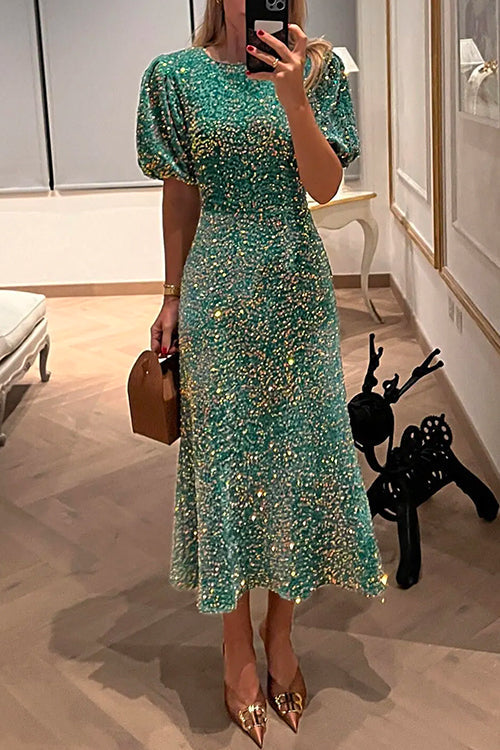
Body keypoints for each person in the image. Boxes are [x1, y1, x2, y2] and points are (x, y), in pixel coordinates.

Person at [136, 0, 387, 745]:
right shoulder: (174, 76)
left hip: (296, 289)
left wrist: (294, 97)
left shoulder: (317, 68)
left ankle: (281, 633)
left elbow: (324, 186)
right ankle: (234, 644)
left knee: (298, 464)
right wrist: (171, 293)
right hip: (218, 291)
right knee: (225, 463)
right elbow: (180, 194)